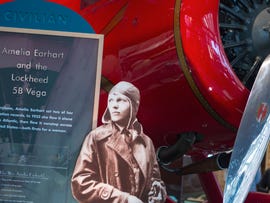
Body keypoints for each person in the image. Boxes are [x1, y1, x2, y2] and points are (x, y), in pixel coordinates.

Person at [71, 81, 167, 203]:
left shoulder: (146, 142)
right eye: (111, 100)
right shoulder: (96, 138)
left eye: (120, 100)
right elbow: (80, 183)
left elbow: (155, 180)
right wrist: (124, 199)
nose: (114, 105)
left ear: (133, 105)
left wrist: (158, 192)